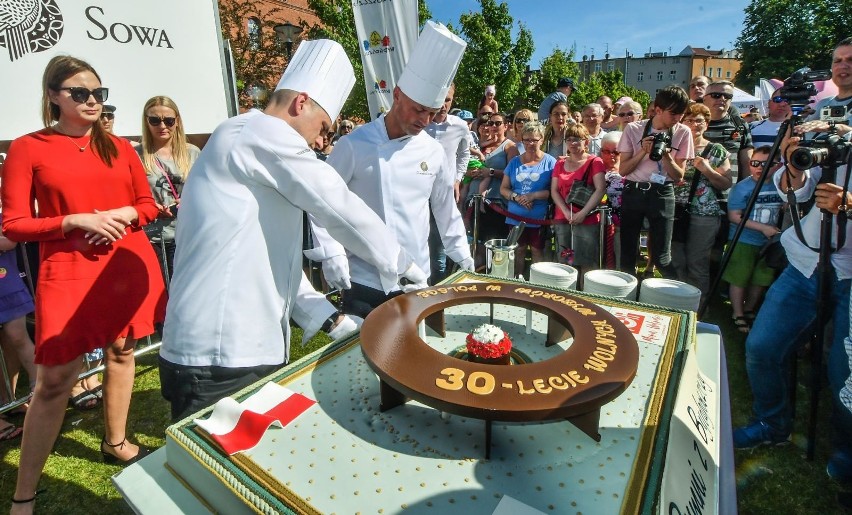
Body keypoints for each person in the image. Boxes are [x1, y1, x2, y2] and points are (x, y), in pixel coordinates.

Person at [159, 40, 428, 422]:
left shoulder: (249, 141)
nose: (321, 141)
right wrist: (405, 266)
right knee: (213, 475)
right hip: (217, 356)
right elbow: (336, 203)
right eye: (322, 127)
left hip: (237, 354)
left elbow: (268, 256)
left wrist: (328, 317)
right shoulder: (254, 132)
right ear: (301, 103)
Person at [3, 55, 167, 511]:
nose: (93, 100)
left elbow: (148, 206)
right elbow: (14, 224)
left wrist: (125, 214)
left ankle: (116, 441)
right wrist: (71, 221)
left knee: (123, 350)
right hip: (69, 271)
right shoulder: (28, 147)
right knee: (54, 380)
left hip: (126, 263)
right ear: (53, 96)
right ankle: (24, 495)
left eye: (99, 92)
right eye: (80, 92)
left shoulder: (119, 146)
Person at [734, 39, 852, 473]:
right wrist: (797, 167)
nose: (842, 67)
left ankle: (845, 449)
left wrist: (850, 204)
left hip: (849, 271)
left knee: (845, 375)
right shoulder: (820, 120)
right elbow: (795, 191)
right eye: (837, 60)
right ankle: (772, 421)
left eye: (851, 61)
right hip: (804, 260)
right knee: (762, 348)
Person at [310, 22, 474, 318]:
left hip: (416, 279)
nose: (425, 120)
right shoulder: (354, 144)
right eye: (419, 109)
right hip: (364, 278)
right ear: (397, 94)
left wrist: (463, 256)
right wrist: (331, 252)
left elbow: (445, 210)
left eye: (432, 113)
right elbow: (321, 201)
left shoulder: (433, 151)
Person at [616, 85, 694, 279]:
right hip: (633, 190)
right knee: (628, 250)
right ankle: (626, 296)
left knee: (662, 255)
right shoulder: (634, 129)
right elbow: (623, 170)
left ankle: (673, 298)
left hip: (662, 192)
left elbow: (678, 176)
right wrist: (643, 150)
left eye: (681, 115)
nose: (678, 119)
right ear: (658, 110)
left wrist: (666, 155)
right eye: (674, 114)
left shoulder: (683, 132)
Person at [671, 103, 732, 300]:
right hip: (674, 211)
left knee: (697, 261)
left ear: (707, 124)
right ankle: (679, 299)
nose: (694, 124)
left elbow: (725, 184)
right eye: (689, 120)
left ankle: (698, 304)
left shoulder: (716, 150)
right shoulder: (673, 147)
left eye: (699, 120)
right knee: (676, 258)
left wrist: (707, 170)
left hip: (703, 213)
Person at [137, 96, 201, 283]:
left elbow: (205, 190)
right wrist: (152, 207)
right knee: (161, 294)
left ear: (177, 121)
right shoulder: (136, 155)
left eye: (169, 120)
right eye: (155, 120)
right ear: (146, 121)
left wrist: (188, 201)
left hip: (186, 234)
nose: (162, 126)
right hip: (153, 237)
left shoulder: (192, 152)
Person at [722, 146, 783, 332]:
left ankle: (749, 309)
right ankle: (737, 312)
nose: (759, 168)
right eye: (755, 163)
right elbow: (734, 216)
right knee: (739, 277)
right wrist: (763, 228)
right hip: (744, 240)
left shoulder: (779, 186)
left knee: (761, 278)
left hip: (768, 242)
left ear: (777, 165)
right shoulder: (742, 188)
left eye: (766, 164)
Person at [424, 83, 471, 283]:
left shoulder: (459, 126)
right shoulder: (420, 124)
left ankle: (437, 289)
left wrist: (457, 179)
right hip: (418, 192)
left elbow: (464, 154)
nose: (443, 105)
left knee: (440, 245)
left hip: (444, 194)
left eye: (448, 100)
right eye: (440, 99)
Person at [499, 121, 556, 277]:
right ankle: (517, 281)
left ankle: (537, 283)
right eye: (527, 140)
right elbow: (504, 188)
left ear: (542, 140)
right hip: (515, 217)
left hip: (539, 217)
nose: (530, 143)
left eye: (534, 140)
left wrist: (533, 195)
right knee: (518, 251)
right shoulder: (514, 162)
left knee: (538, 251)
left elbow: (555, 191)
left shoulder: (551, 162)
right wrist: (517, 197)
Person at [551, 124, 607, 279]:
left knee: (586, 260)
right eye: (568, 139)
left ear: (586, 141)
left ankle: (584, 293)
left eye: (576, 139)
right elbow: (554, 190)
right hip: (563, 218)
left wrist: (583, 213)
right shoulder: (560, 163)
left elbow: (600, 189)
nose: (572, 143)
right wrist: (565, 211)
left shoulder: (595, 162)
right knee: (564, 259)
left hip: (587, 219)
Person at [703, 80, 754, 181]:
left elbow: (746, 161)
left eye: (727, 96)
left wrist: (745, 189)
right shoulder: (695, 123)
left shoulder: (740, 125)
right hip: (699, 190)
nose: (722, 99)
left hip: (730, 192)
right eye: (716, 95)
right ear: (704, 99)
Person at [601, 131, 624, 268]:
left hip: (621, 223)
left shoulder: (630, 170)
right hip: (598, 222)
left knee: (621, 257)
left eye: (616, 152)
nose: (611, 156)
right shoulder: (594, 168)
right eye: (606, 151)